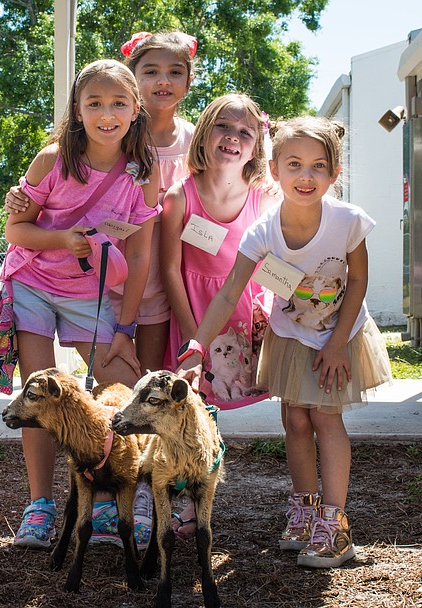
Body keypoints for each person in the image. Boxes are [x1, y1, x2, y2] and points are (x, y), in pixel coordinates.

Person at [178, 115, 392, 568]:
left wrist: (335, 344)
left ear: (334, 174)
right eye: (294, 164)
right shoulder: (263, 232)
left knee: (325, 418)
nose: (306, 176)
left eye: (318, 167)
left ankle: (335, 527)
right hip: (292, 334)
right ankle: (304, 510)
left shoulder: (348, 221)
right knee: (296, 421)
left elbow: (357, 283)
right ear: (274, 170)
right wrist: (198, 344)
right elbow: (230, 292)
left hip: (340, 334)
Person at [2, 59, 159, 549]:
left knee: (121, 388)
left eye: (118, 103)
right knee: (38, 395)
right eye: (94, 103)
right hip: (32, 282)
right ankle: (40, 505)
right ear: (77, 108)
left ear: (136, 109)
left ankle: (112, 500)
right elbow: (16, 230)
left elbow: (139, 252)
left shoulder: (142, 172)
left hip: (90, 295)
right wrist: (61, 239)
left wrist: (124, 329)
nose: (106, 113)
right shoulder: (52, 160)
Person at [162, 93, 278, 538]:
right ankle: (189, 504)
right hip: (193, 310)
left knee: (222, 404)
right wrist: (194, 336)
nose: (232, 138)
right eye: (223, 128)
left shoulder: (263, 199)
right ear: (205, 134)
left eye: (244, 133)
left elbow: (273, 264)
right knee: (191, 411)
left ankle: (303, 500)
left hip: (242, 311)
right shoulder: (180, 196)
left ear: (255, 148)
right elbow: (170, 269)